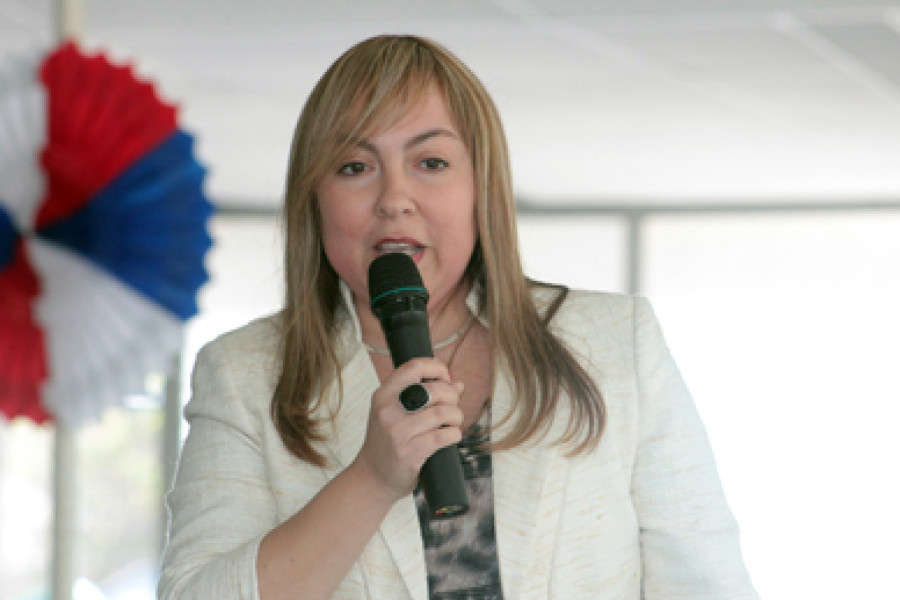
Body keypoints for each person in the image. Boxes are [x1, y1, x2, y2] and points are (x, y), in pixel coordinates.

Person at [158, 35, 758, 600]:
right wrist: (372, 479)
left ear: (481, 187)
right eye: (354, 166)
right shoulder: (245, 374)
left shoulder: (615, 342)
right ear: (314, 198)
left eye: (431, 162)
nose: (394, 199)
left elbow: (707, 584)